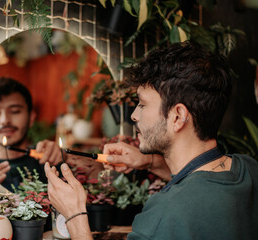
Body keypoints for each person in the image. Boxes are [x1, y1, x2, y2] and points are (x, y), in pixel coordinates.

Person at [44, 41, 258, 239]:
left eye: (143, 104)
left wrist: (74, 216)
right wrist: (148, 161)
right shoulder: (248, 169)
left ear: (178, 116)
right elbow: (200, 183)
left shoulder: (166, 214)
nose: (134, 115)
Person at [0, 77, 63, 191]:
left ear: (31, 118)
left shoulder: (48, 160)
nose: (5, 120)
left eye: (15, 111)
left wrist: (64, 156)